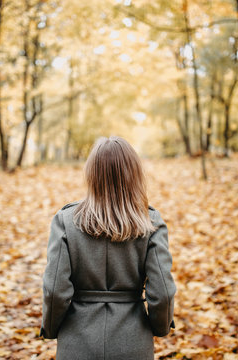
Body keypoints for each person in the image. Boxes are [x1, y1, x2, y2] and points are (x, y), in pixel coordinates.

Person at [40, 136, 176, 360]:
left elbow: (54, 289)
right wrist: (160, 328)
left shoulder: (65, 220)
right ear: (134, 174)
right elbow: (162, 291)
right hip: (133, 344)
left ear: (91, 174)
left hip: (77, 344)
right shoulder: (150, 222)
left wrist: (52, 328)